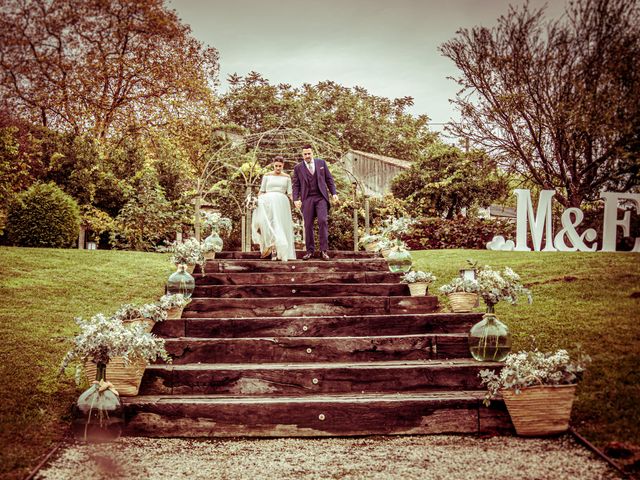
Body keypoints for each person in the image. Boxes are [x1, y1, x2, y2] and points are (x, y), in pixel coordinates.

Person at [292, 144, 339, 260]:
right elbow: (296, 185)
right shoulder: (298, 168)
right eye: (305, 154)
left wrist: (334, 193)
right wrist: (295, 199)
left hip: (321, 197)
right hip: (307, 198)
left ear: (312, 153)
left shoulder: (321, 163)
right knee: (308, 224)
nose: (307, 156)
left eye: (309, 153)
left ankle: (324, 251)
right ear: (302, 155)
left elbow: (329, 179)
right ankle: (310, 251)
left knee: (323, 221)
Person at [251, 156, 296, 261]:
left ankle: (281, 251)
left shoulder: (287, 177)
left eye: (280, 166)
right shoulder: (267, 176)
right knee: (269, 225)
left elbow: (290, 193)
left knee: (279, 225)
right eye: (276, 166)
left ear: (283, 165)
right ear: (273, 165)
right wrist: (255, 201)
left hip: (281, 202)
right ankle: (271, 249)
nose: (278, 168)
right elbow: (262, 190)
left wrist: (296, 202)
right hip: (268, 202)